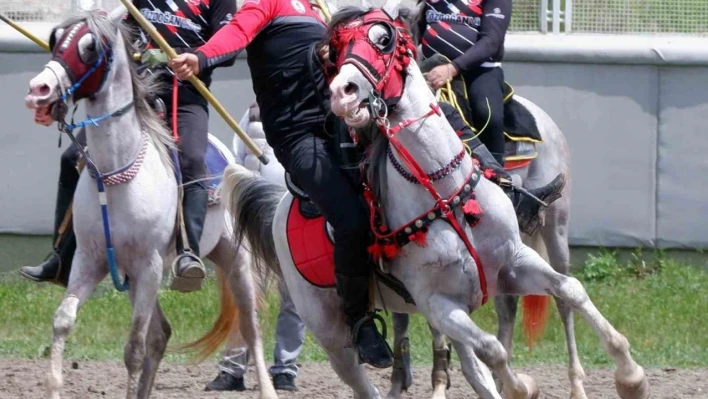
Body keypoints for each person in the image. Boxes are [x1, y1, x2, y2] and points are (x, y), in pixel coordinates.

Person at [168, 0, 394, 369]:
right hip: (298, 137)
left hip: (345, 126)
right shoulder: (265, 4)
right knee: (352, 218)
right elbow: (236, 33)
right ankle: (359, 321)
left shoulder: (321, 8)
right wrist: (201, 56)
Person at [19, 0, 238, 292]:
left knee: (192, 161)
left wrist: (197, 57)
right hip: (134, 96)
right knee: (72, 157)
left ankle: (188, 254)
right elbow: (114, 33)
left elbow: (230, 46)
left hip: (185, 97)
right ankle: (62, 257)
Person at [415, 0, 567, 235]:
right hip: (429, 69)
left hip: (481, 70)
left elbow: (491, 42)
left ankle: (505, 193)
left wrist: (453, 68)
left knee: (488, 115)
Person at [206, 102, 306, 392]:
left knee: (293, 296)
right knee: (244, 293)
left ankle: (285, 368)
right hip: (251, 220)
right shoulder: (251, 113)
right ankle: (233, 369)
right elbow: (236, 161)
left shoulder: (309, 106)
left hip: (293, 217)